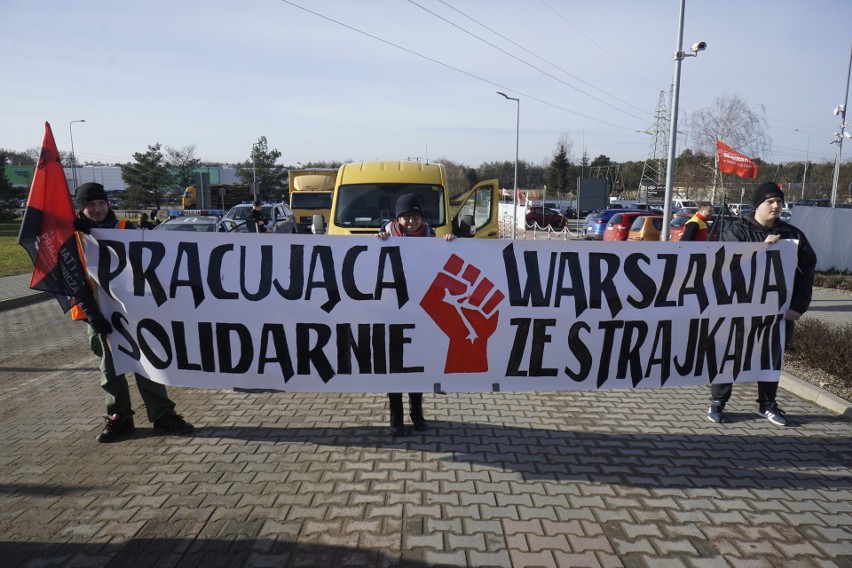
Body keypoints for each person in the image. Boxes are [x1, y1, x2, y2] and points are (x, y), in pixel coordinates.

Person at [72, 182, 195, 442]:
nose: (97, 209)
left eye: (101, 203)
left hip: (135, 311)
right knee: (110, 367)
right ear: (82, 209)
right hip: (98, 312)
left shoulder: (127, 230)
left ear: (108, 204)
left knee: (147, 361)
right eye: (90, 205)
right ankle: (119, 417)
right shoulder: (74, 239)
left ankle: (162, 415)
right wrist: (92, 313)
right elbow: (73, 280)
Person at [708, 182, 817, 426]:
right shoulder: (737, 231)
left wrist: (798, 306)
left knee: (771, 356)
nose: (776, 206)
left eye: (779, 201)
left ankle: (767, 404)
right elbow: (725, 264)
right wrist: (759, 249)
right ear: (758, 204)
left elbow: (807, 271)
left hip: (778, 312)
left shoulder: (793, 235)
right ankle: (718, 401)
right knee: (730, 354)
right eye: (770, 201)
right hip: (739, 311)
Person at [377, 193, 455, 435]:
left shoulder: (433, 239)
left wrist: (450, 242)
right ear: (398, 218)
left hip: (421, 313)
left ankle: (417, 413)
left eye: (416, 215)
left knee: (417, 364)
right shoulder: (384, 238)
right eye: (406, 216)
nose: (411, 220)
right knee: (395, 365)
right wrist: (378, 242)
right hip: (392, 311)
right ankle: (396, 416)